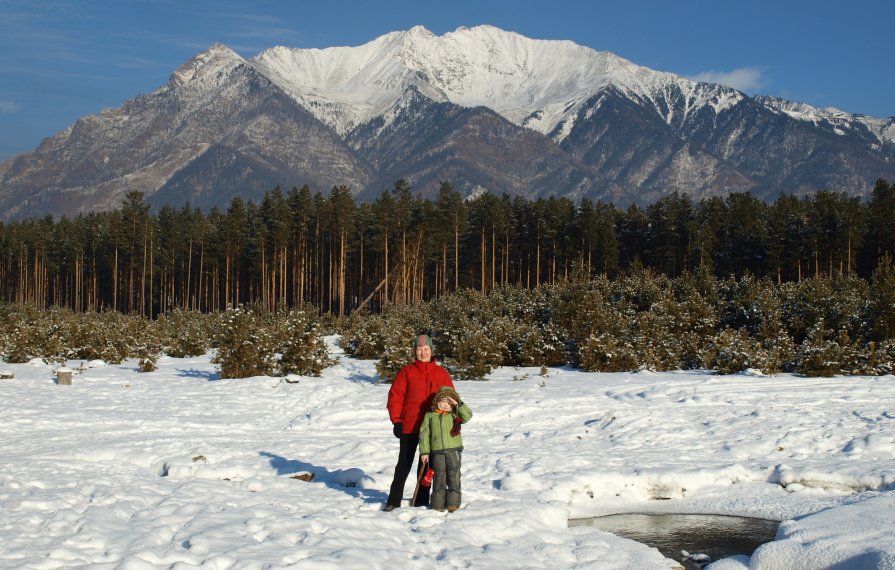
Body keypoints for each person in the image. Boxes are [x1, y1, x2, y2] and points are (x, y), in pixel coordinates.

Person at [384, 334, 454, 511]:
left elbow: (451, 398)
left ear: (432, 351)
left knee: (427, 466)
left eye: (426, 349)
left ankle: (421, 501)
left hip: (433, 429)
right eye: (419, 349)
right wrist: (397, 421)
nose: (423, 353)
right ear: (414, 351)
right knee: (403, 465)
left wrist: (452, 420)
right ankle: (393, 500)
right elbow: (395, 397)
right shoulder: (406, 372)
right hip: (410, 426)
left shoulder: (441, 373)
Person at [419, 386, 472, 512]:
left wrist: (458, 404)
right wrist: (424, 452)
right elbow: (424, 434)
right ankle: (438, 504)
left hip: (454, 450)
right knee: (438, 477)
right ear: (437, 401)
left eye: (449, 403)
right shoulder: (430, 415)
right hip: (437, 452)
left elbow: (468, 416)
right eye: (443, 401)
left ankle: (453, 503)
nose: (445, 405)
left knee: (453, 476)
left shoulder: (455, 414)